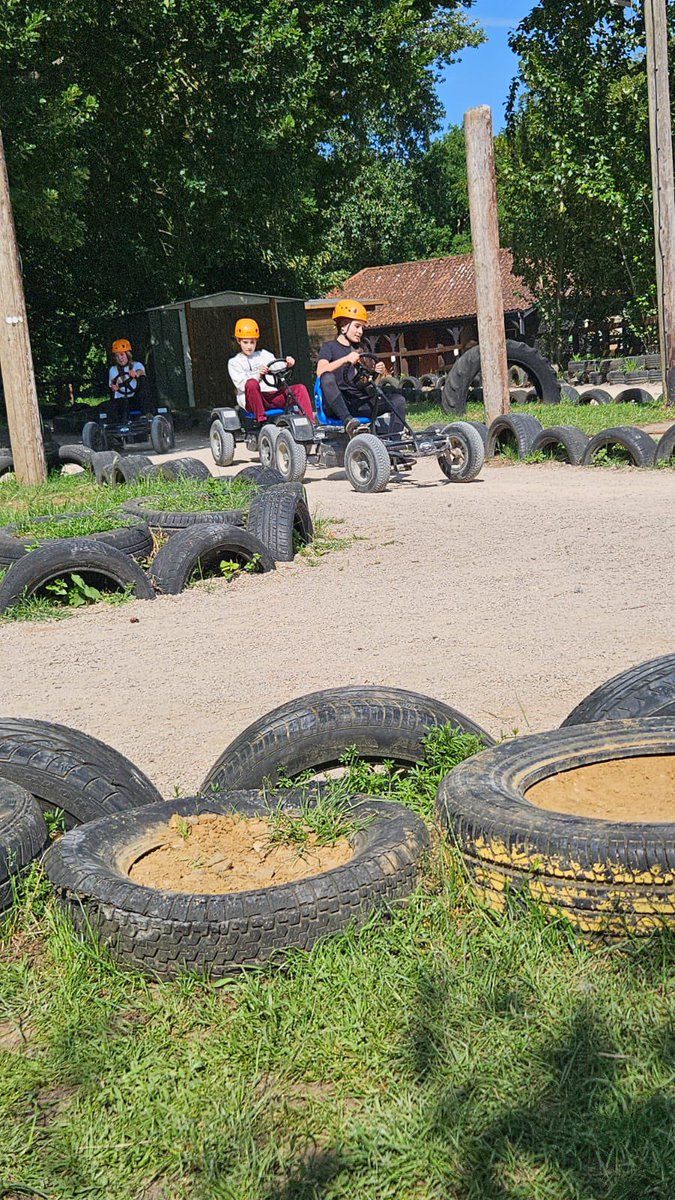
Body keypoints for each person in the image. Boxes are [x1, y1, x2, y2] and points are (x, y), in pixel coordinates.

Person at [316, 300, 406, 435]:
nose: (360, 332)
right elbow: (320, 371)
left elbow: (366, 383)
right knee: (327, 377)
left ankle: (394, 440)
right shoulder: (329, 347)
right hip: (338, 403)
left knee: (398, 400)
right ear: (343, 326)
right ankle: (349, 422)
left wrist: (376, 372)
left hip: (358, 401)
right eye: (357, 326)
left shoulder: (361, 349)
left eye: (362, 327)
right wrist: (345, 359)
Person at [227, 318, 315, 424]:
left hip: (271, 395)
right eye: (245, 342)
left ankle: (309, 422)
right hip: (252, 400)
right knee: (251, 383)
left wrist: (287, 363)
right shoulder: (234, 362)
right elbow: (242, 385)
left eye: (252, 342)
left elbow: (277, 366)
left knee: (300, 388)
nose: (249, 346)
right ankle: (262, 420)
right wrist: (259, 375)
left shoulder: (264, 354)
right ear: (238, 341)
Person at [107, 338, 148, 419]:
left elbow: (141, 371)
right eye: (117, 356)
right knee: (111, 406)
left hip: (136, 399)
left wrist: (136, 374)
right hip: (121, 400)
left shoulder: (137, 365)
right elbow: (112, 383)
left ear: (127, 354)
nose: (120, 358)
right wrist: (114, 386)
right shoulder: (113, 370)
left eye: (122, 355)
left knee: (143, 381)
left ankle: (146, 413)